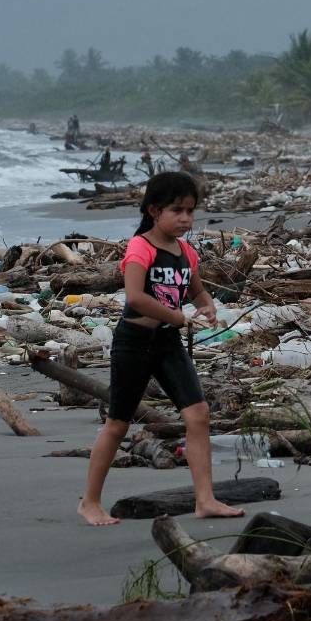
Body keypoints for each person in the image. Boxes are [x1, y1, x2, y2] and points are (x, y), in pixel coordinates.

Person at [77, 171, 244, 525]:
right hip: (133, 344)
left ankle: (205, 499)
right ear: (154, 210)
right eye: (176, 211)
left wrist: (207, 305)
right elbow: (135, 297)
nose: (185, 219)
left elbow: (196, 291)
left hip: (167, 343)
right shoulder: (141, 247)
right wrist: (177, 316)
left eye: (190, 211)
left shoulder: (185, 251)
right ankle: (90, 502)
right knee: (118, 424)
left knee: (198, 414)